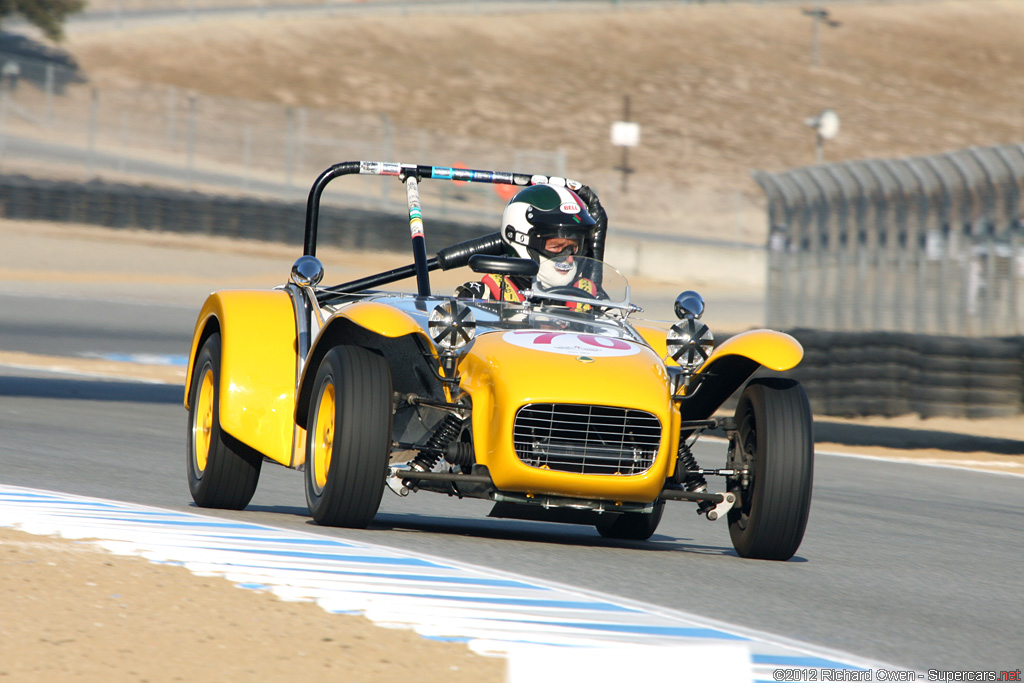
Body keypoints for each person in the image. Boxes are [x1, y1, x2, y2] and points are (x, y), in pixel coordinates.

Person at [456, 184, 599, 305]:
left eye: (573, 247)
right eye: (556, 247)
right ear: (521, 240)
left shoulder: (591, 300)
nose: (569, 258)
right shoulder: (481, 297)